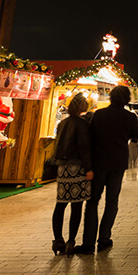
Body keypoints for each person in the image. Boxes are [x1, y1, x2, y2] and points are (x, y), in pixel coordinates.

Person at [74, 85, 138, 255]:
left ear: (111, 97)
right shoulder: (130, 117)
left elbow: (91, 136)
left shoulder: (99, 115)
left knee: (92, 202)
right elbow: (135, 136)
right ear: (127, 99)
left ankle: (88, 243)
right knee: (112, 202)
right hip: (118, 163)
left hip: (98, 163)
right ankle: (104, 239)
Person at [50, 93, 93, 256]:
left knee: (60, 204)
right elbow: (84, 147)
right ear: (80, 106)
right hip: (78, 168)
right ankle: (71, 241)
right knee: (77, 205)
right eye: (84, 103)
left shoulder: (62, 123)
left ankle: (57, 240)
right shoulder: (82, 124)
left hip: (62, 168)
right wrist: (89, 168)